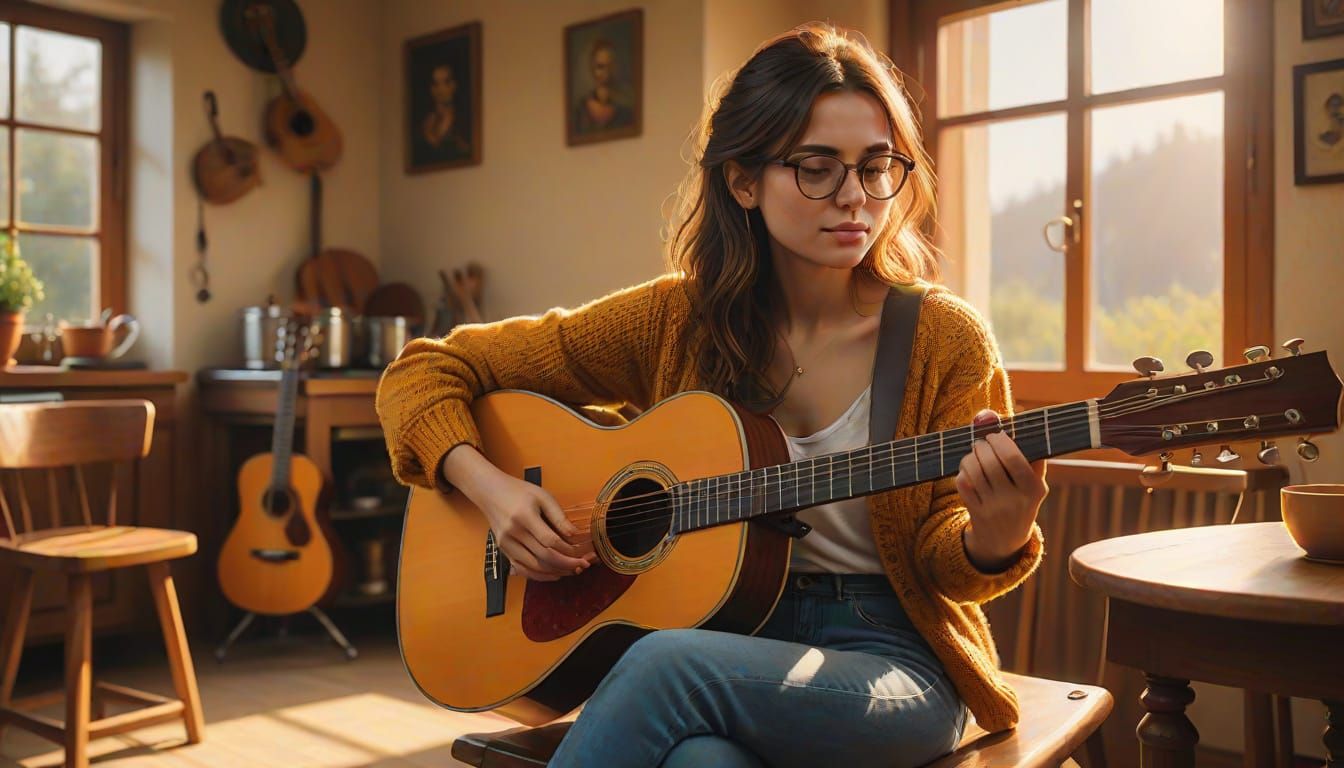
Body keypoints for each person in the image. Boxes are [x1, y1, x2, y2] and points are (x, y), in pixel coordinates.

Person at [377, 23, 1048, 768]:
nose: (855, 196)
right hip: (723, 648)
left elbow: (945, 564)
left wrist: (996, 538)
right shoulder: (676, 320)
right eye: (818, 167)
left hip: (889, 666)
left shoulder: (945, 340)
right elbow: (424, 371)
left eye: (876, 165)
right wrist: (494, 492)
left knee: (664, 665)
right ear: (743, 180)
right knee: (702, 761)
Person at [571, 38, 634, 135]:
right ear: (592, 69)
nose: (606, 72)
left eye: (610, 66)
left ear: (615, 67)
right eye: (600, 67)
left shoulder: (625, 109)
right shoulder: (581, 109)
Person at [419, 62, 470, 161]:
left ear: (454, 85)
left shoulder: (464, 118)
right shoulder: (426, 122)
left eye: (446, 82)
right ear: (431, 89)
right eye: (436, 84)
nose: (441, 89)